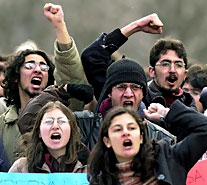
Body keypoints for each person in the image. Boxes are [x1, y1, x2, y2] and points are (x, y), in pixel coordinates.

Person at [18, 58, 176, 151]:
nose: (128, 93)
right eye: (121, 87)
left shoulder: (161, 138)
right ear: (109, 92)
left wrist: (172, 113)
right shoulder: (84, 125)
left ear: (143, 94)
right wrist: (61, 92)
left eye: (135, 88)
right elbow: (28, 123)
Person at [0, 3, 90, 164]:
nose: (37, 70)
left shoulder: (65, 111)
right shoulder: (3, 122)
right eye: (29, 66)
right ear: (15, 77)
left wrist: (60, 26)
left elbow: (71, 75)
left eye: (43, 66)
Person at [87, 101, 207, 185]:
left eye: (132, 128)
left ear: (141, 137)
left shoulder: (168, 158)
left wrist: (167, 114)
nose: (125, 133)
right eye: (118, 129)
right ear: (107, 141)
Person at [81, 14, 196, 111]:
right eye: (165, 64)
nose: (172, 70)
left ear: (185, 74)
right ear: (151, 71)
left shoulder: (192, 109)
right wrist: (136, 26)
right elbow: (92, 57)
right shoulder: (130, 96)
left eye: (178, 65)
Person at [9, 101, 86, 173]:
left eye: (61, 121)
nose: (55, 126)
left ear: (71, 130)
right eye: (49, 122)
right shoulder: (21, 168)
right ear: (39, 132)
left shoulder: (88, 168)